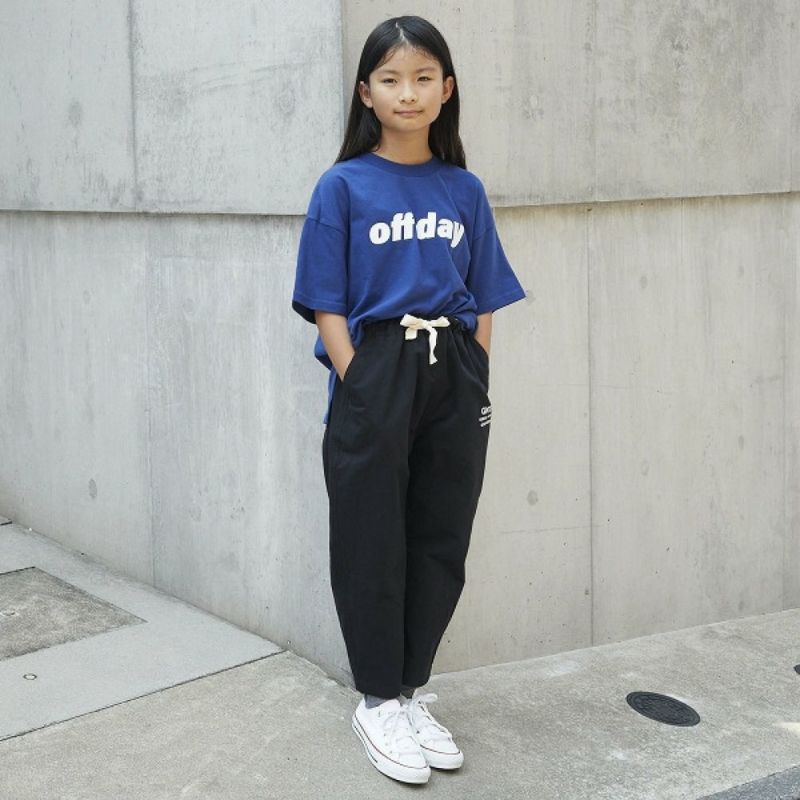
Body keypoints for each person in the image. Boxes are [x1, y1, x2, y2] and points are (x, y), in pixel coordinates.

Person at [291, 14, 526, 785]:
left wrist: (474, 370)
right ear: (366, 93)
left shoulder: (463, 188)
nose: (408, 92)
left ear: (446, 88)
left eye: (424, 77)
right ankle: (376, 700)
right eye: (391, 79)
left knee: (440, 536)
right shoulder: (343, 187)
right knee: (371, 540)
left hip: (452, 367)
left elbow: (483, 292)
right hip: (378, 366)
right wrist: (359, 377)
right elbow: (325, 299)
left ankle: (411, 691)